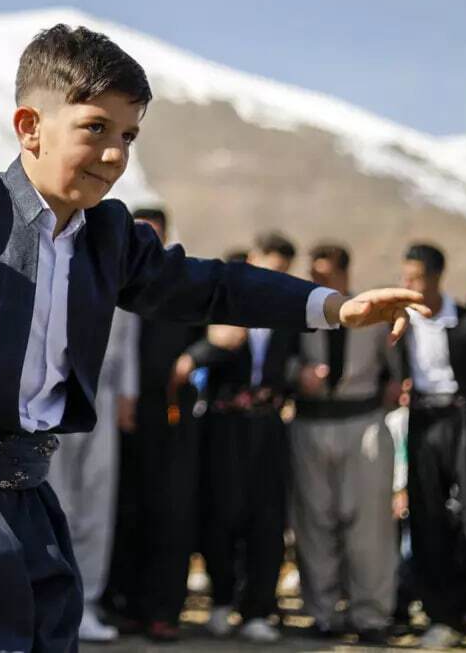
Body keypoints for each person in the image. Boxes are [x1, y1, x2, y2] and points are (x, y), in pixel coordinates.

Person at [0, 0, 429, 652]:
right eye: (96, 127)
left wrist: (333, 306)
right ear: (29, 126)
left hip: (27, 499)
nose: (115, 153)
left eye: (128, 135)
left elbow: (212, 286)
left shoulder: (111, 237)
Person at [185, 231, 302, 643]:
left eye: (284, 273)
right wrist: (211, 345)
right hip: (224, 424)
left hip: (267, 425)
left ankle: (257, 609)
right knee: (221, 512)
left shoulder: (288, 310)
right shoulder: (219, 301)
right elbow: (189, 352)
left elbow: (296, 364)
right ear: (252, 262)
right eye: (270, 270)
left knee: (267, 517)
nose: (276, 279)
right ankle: (220, 601)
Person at [396, 243, 466, 653]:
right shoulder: (400, 321)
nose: (407, 284)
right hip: (423, 422)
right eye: (405, 276)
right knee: (427, 518)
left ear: (436, 278)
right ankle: (442, 615)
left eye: (415, 278)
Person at [289, 243, 401, 644]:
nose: (317, 283)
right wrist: (297, 373)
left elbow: (398, 369)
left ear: (344, 275)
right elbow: (280, 361)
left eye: (325, 276)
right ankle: (321, 613)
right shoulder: (297, 312)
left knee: (369, 525)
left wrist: (393, 385)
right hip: (310, 422)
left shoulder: (371, 313)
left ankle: (371, 616)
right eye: (313, 276)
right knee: (314, 522)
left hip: (363, 423)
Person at [105, 207, 203, 643]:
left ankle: (163, 611)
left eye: (154, 237)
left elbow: (211, 335)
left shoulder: (181, 288)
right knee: (123, 512)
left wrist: (193, 359)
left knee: (168, 514)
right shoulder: (110, 281)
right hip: (116, 417)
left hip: (170, 418)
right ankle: (122, 606)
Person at [47, 302, 139, 643]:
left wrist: (129, 392)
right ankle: (51, 602)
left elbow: (127, 339)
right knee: (55, 498)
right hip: (52, 386)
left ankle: (86, 603)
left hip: (104, 390)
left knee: (98, 498)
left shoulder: (116, 259)